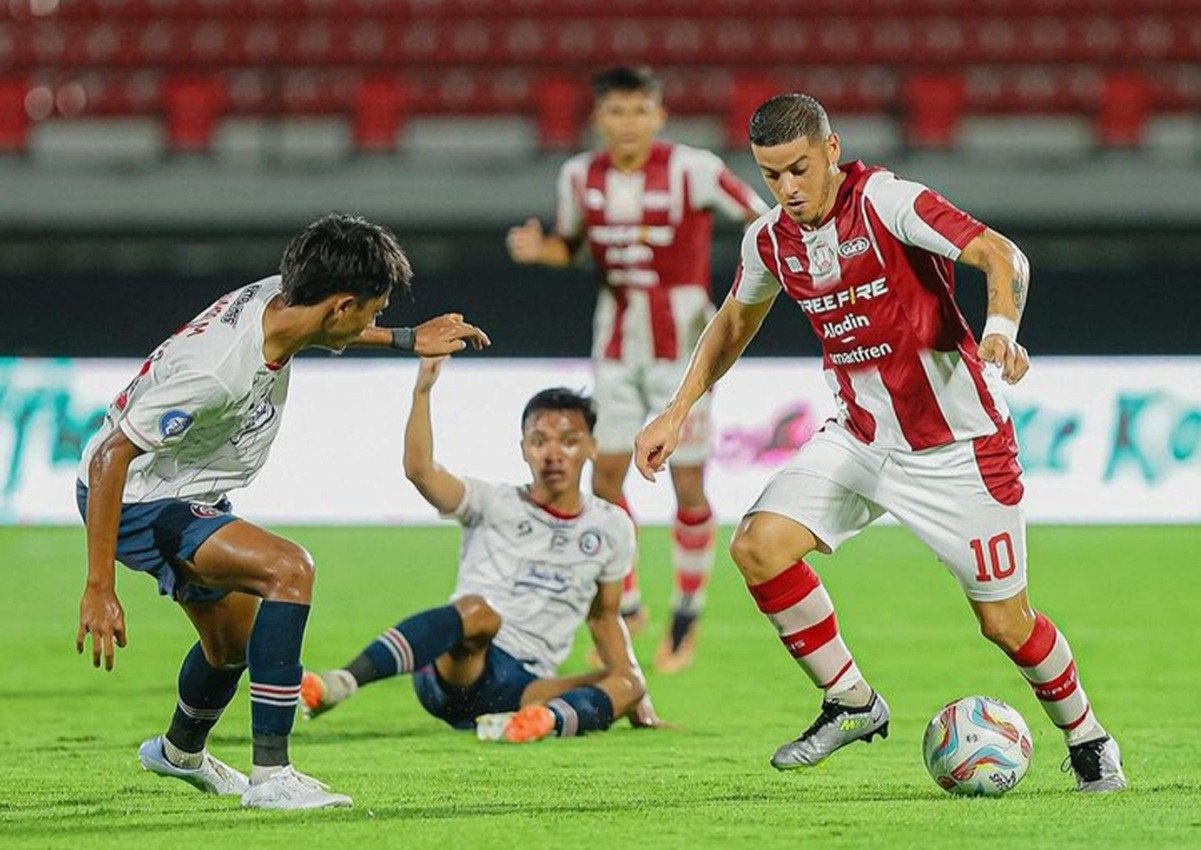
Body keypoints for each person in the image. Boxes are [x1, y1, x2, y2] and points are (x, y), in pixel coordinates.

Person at [633, 94, 1126, 793]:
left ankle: (1088, 738)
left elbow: (998, 253)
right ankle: (851, 702)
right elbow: (731, 323)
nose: (788, 188)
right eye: (772, 176)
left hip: (958, 448)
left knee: (1005, 623)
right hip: (861, 441)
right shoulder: (769, 240)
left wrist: (1001, 330)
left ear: (830, 150)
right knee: (756, 546)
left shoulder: (887, 203)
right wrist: (676, 412)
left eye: (798, 169)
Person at [75, 213, 491, 810]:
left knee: (233, 648)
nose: (372, 320)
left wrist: (403, 338)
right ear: (342, 304)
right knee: (289, 569)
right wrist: (99, 587)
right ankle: (272, 777)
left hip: (185, 489)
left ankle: (179, 752)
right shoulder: (215, 371)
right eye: (372, 311)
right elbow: (111, 459)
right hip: (138, 497)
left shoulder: (285, 295)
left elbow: (327, 329)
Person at [507, 66, 769, 673]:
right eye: (616, 112)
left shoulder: (694, 169)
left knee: (688, 486)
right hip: (618, 346)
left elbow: (764, 223)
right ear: (599, 119)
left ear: (659, 115)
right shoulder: (579, 176)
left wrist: (746, 293)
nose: (627, 123)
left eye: (639, 110)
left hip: (685, 351)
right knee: (603, 478)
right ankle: (626, 600)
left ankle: (686, 613)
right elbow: (567, 246)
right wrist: (537, 250)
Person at [301, 356, 660, 741]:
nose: (553, 454)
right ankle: (341, 683)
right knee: (479, 612)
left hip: (524, 686)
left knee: (631, 680)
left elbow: (604, 617)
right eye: (540, 441)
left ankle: (531, 724)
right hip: (458, 667)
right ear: (524, 448)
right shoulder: (492, 502)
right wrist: (422, 390)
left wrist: (632, 690)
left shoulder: (612, 526)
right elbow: (420, 471)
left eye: (569, 441)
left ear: (592, 447)